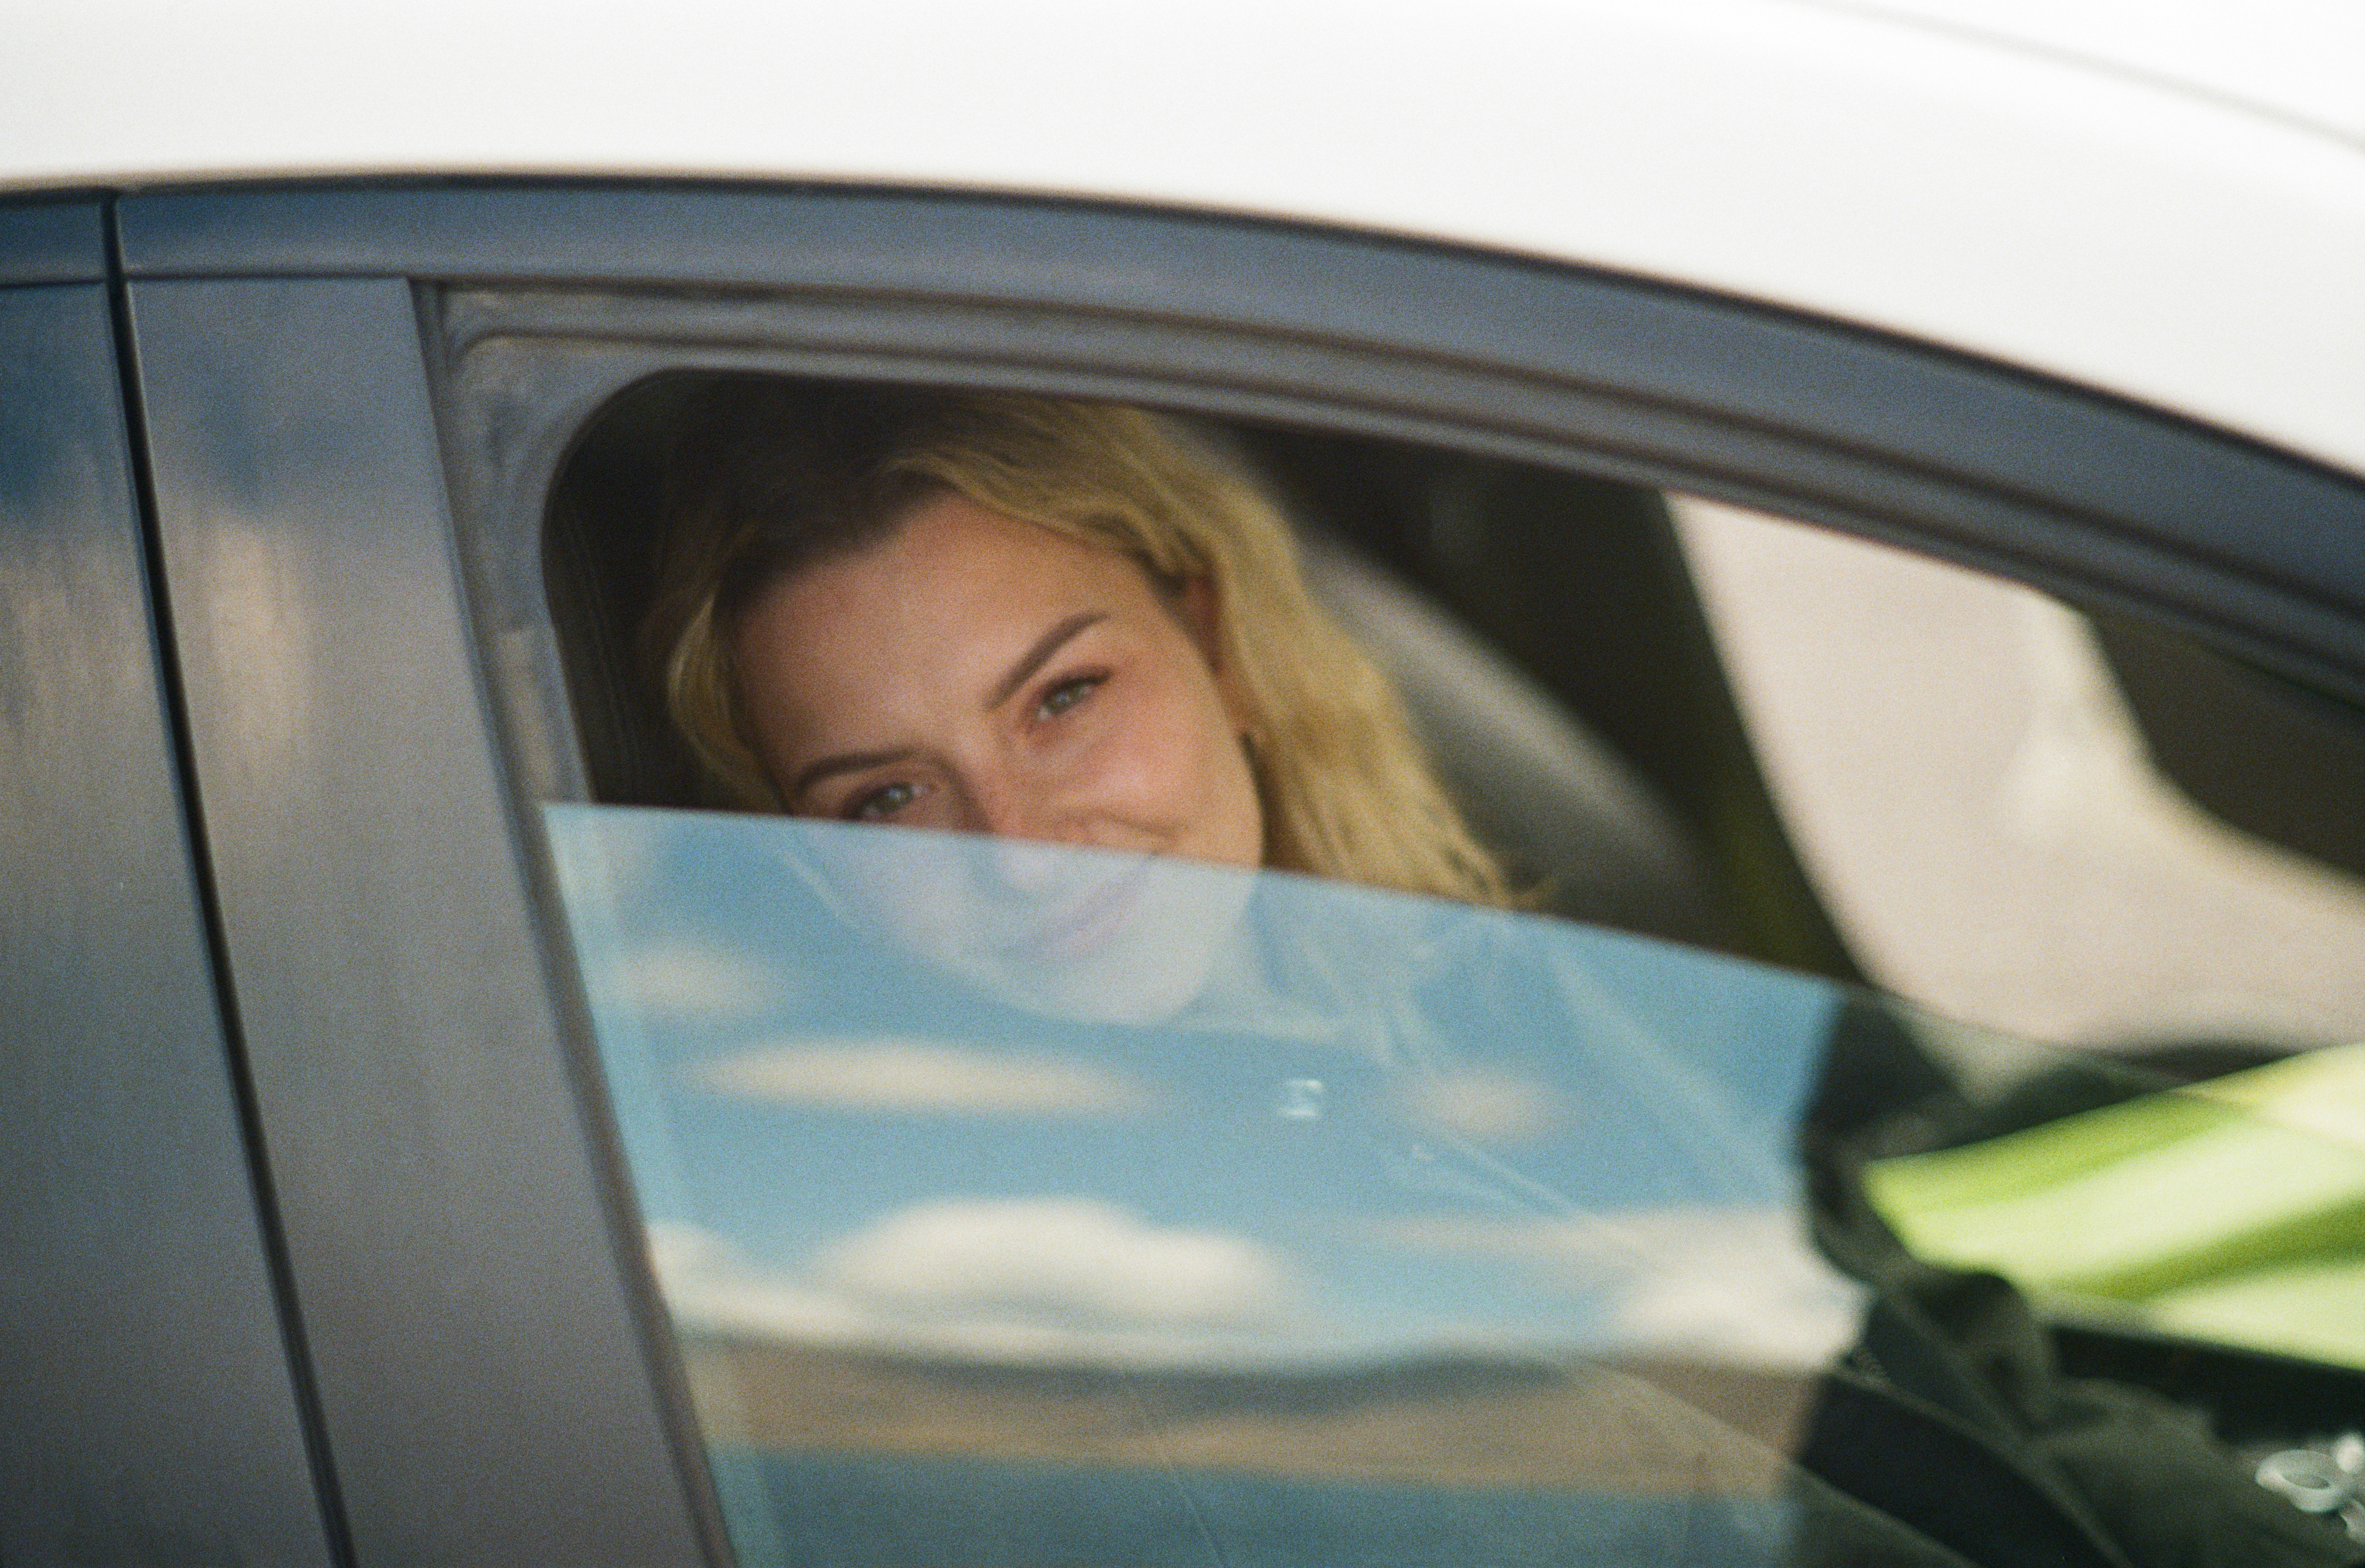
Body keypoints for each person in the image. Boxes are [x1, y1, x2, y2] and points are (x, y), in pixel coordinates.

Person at [644, 379, 1508, 907]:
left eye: (1063, 697)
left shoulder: (1495, 982)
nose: (1020, 859)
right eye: (886, 798)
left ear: (1217, 644)